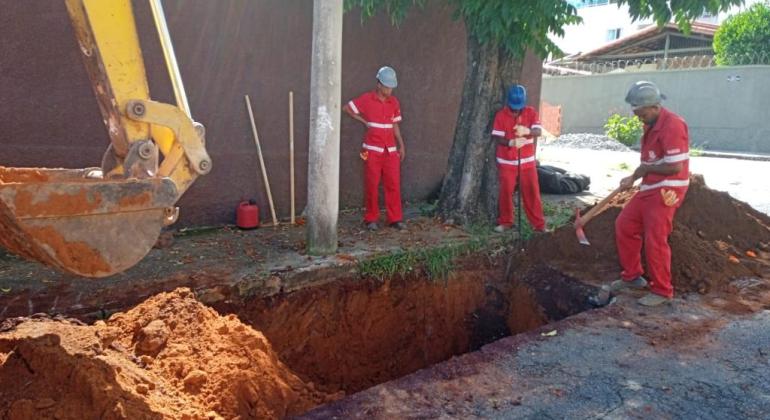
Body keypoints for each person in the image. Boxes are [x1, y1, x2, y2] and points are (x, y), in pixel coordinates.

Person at [606, 80, 690, 307]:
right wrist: (632, 177)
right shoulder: (651, 124)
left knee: (655, 238)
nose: (638, 117)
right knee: (625, 225)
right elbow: (649, 162)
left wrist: (644, 170)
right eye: (636, 112)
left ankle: (663, 290)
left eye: (640, 113)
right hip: (650, 186)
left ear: (654, 106)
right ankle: (633, 277)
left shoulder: (672, 125)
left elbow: (675, 167)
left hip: (667, 189)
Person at [343, 66, 407, 231]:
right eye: (387, 86)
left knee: (393, 184)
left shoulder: (394, 102)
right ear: (378, 84)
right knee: (371, 184)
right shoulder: (366, 99)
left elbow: (395, 125)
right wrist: (363, 122)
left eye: (392, 86)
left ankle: (395, 219)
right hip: (370, 151)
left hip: (390, 151)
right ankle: (371, 219)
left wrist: (401, 145)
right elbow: (347, 108)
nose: (390, 89)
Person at [491, 84, 546, 233]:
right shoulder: (501, 115)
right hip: (507, 162)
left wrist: (527, 130)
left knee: (532, 192)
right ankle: (506, 222)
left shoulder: (531, 113)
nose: (516, 110)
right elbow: (497, 137)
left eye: (518, 107)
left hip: (527, 162)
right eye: (513, 107)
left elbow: (538, 131)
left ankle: (539, 224)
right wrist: (511, 142)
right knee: (506, 192)